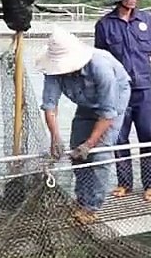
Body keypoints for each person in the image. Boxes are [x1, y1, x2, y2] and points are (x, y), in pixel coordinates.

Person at [38, 26, 132, 224]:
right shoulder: (53, 71)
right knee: (76, 152)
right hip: (85, 104)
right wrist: (55, 137)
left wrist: (90, 144)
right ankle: (81, 200)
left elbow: (108, 113)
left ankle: (92, 207)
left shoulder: (100, 68)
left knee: (99, 154)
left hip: (113, 102)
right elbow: (50, 106)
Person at [94, 0, 151, 202]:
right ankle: (124, 183)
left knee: (148, 136)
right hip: (117, 92)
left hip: (144, 90)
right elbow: (100, 60)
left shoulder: (146, 20)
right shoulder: (104, 25)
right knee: (119, 138)